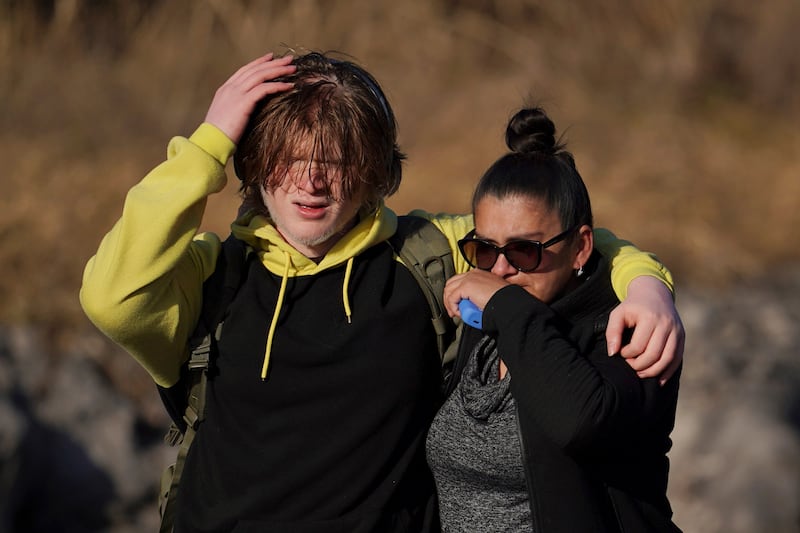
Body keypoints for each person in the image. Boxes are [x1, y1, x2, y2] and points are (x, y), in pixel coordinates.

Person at [80, 51, 683, 532]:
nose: (312, 181)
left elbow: (548, 241)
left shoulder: (427, 253)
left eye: (336, 160)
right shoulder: (213, 277)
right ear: (256, 165)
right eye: (290, 158)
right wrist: (209, 142)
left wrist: (646, 284)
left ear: (372, 171)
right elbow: (113, 297)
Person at [426, 106, 682, 532]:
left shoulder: (631, 328)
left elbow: (582, 423)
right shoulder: (488, 324)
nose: (502, 270)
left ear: (581, 247)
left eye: (525, 250)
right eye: (485, 250)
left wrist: (508, 306)